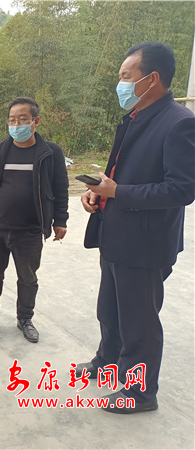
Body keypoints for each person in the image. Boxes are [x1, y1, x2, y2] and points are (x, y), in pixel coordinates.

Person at [75, 42, 195, 413]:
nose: (121, 84)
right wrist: (100, 192)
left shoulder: (178, 122)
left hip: (145, 245)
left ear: (152, 78)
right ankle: (108, 362)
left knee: (138, 321)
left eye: (126, 76)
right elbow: (122, 174)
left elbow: (181, 189)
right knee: (110, 309)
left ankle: (140, 392)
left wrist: (117, 192)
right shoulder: (136, 117)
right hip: (116, 234)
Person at [0, 97, 69, 343]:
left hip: (30, 230)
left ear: (35, 122)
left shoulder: (51, 153)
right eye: (12, 120)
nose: (16, 125)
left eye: (23, 119)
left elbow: (61, 189)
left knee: (28, 278)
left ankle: (25, 319)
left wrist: (60, 220)